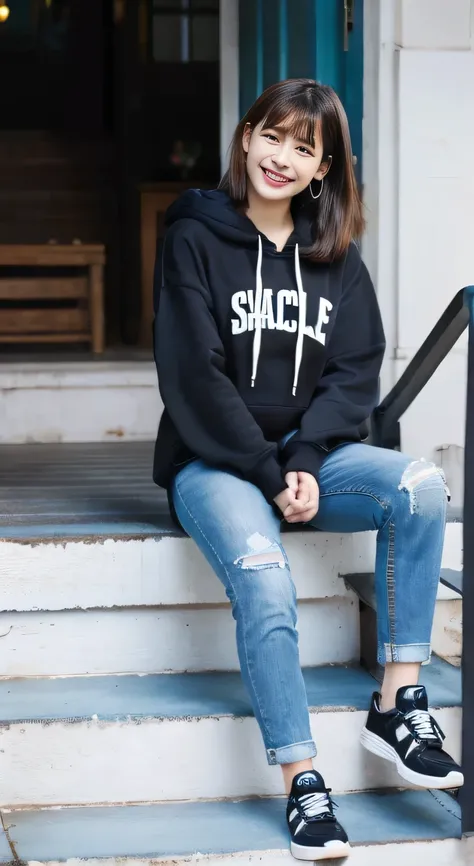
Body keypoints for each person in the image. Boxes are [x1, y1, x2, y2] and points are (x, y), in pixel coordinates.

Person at [152, 78, 462, 861]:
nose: (281, 158)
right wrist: (269, 472)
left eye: (303, 147)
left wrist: (306, 460)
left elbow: (354, 371)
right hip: (214, 462)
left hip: (306, 460)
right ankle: (303, 780)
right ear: (246, 137)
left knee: (419, 487)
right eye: (272, 136)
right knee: (265, 577)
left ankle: (398, 701)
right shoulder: (193, 236)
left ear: (323, 168)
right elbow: (193, 373)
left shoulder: (336, 257)